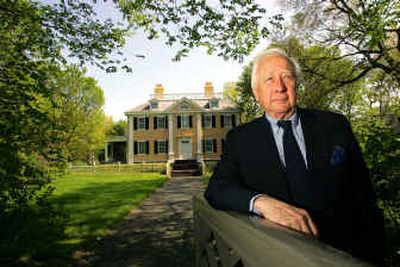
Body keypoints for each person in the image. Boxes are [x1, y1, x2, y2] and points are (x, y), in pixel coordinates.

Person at [204, 48, 384, 264]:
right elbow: (217, 188)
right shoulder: (240, 139)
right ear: (256, 92)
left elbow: (365, 198)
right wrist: (261, 203)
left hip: (343, 255)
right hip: (276, 257)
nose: (279, 87)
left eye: (286, 77)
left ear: (296, 83)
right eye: (269, 79)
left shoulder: (335, 125)